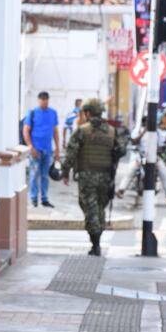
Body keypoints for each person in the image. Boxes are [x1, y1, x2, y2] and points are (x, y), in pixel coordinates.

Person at [61, 99, 127, 256]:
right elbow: (121, 150)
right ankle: (97, 239)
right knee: (99, 208)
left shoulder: (82, 131)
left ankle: (95, 243)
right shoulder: (111, 131)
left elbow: (71, 153)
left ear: (88, 113)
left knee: (89, 208)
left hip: (87, 177)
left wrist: (65, 172)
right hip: (105, 177)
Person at [117, 116, 166, 207]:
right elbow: (134, 141)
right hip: (140, 156)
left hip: (154, 157)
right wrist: (143, 132)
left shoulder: (157, 132)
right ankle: (121, 190)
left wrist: (160, 151)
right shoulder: (138, 130)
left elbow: (161, 145)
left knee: (163, 173)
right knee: (131, 171)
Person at [23, 91, 60, 207]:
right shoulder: (33, 113)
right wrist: (30, 147)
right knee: (34, 175)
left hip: (47, 150)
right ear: (38, 100)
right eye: (42, 99)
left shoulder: (53, 113)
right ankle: (34, 198)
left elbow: (55, 131)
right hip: (35, 150)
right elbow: (26, 130)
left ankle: (44, 198)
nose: (44, 101)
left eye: (46, 99)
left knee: (45, 175)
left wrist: (57, 148)